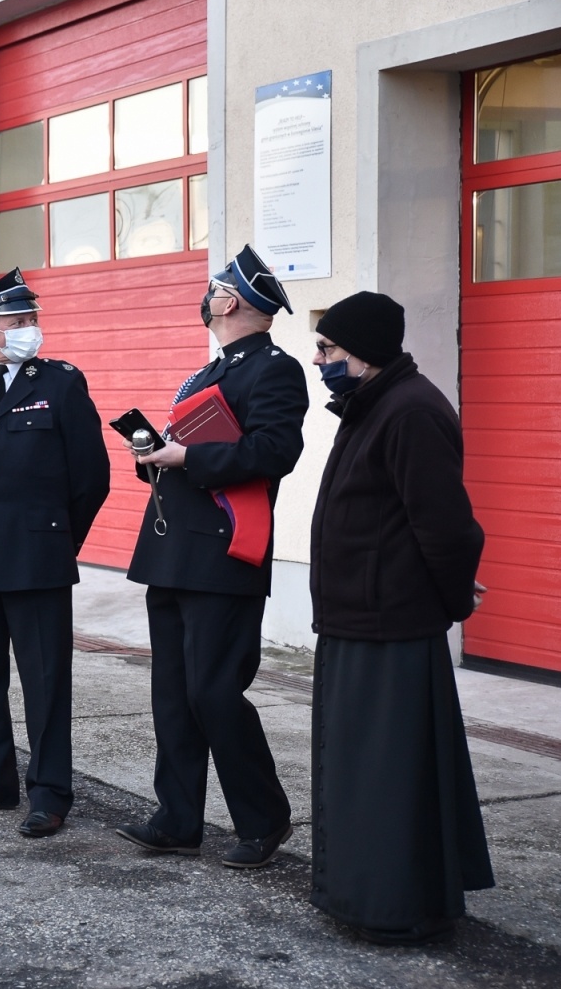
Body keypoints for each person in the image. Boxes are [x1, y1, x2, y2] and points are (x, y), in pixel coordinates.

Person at [307, 291, 493, 945]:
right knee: (364, 772)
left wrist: (451, 603)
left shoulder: (410, 411)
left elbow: (445, 529)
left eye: (328, 349)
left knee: (387, 776)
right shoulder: (374, 404)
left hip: (389, 626)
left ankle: (391, 906)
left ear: (362, 351)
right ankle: (364, 896)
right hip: (359, 620)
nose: (319, 358)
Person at [115, 245, 308, 868]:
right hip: (173, 552)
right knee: (172, 694)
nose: (208, 295)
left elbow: (275, 451)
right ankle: (177, 819)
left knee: (214, 692)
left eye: (214, 288)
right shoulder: (206, 373)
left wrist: (188, 458)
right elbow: (189, 453)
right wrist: (159, 457)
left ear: (229, 300)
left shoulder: (273, 370)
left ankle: (264, 819)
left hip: (225, 556)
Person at [0, 268, 111, 838]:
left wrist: (58, 538)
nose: (30, 328)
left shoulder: (60, 383)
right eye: (17, 320)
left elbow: (92, 477)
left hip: (38, 559)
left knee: (45, 682)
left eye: (33, 318)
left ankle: (50, 793)